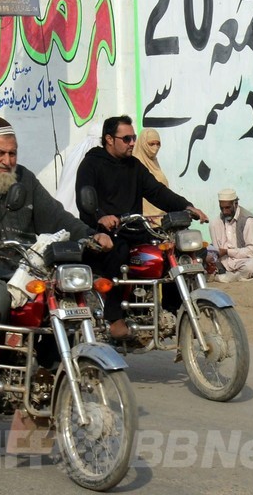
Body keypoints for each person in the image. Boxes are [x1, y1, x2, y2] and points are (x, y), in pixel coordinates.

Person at [0, 116, 112, 408]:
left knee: (62, 299)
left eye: (12, 153)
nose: (7, 160)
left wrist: (92, 235)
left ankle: (48, 364)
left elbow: (57, 217)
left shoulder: (25, 179)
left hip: (21, 268)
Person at [75, 115, 208, 340]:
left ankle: (173, 312)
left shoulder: (134, 166)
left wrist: (186, 206)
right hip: (103, 234)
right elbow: (84, 198)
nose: (131, 143)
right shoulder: (92, 164)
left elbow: (157, 191)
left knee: (167, 252)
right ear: (109, 139)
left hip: (134, 229)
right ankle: (115, 318)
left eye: (133, 137)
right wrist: (101, 216)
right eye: (126, 138)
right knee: (119, 252)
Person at [209, 188, 253, 282]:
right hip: (225, 261)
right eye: (222, 208)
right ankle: (228, 275)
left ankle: (227, 277)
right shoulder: (218, 221)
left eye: (227, 208)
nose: (225, 211)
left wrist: (227, 252)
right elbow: (217, 250)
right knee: (213, 225)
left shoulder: (248, 220)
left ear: (235, 204)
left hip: (244, 260)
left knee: (252, 266)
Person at [132, 128, 168, 218]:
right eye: (151, 144)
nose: (155, 148)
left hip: (161, 220)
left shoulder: (154, 163)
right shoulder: (134, 166)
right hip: (144, 222)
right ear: (143, 144)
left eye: (158, 144)